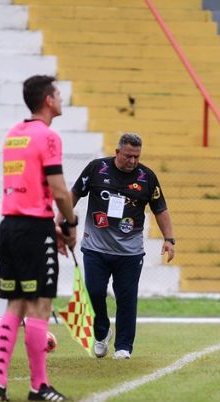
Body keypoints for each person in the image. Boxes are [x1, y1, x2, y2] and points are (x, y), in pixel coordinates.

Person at [0, 74, 78, 402]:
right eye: (58, 94)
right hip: (33, 230)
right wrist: (69, 224)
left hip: (10, 226)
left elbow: (25, 189)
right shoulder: (48, 136)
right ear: (48, 100)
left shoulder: (14, 135)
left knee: (15, 305)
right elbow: (59, 191)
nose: (61, 99)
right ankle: (39, 385)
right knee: (39, 306)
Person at [68, 132, 175, 360]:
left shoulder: (147, 177)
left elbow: (160, 208)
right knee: (95, 292)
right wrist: (63, 220)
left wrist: (169, 239)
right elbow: (74, 193)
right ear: (117, 152)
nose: (133, 161)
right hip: (96, 247)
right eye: (128, 156)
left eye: (136, 156)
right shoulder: (96, 169)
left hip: (129, 252)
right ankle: (102, 332)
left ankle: (123, 347)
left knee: (127, 298)